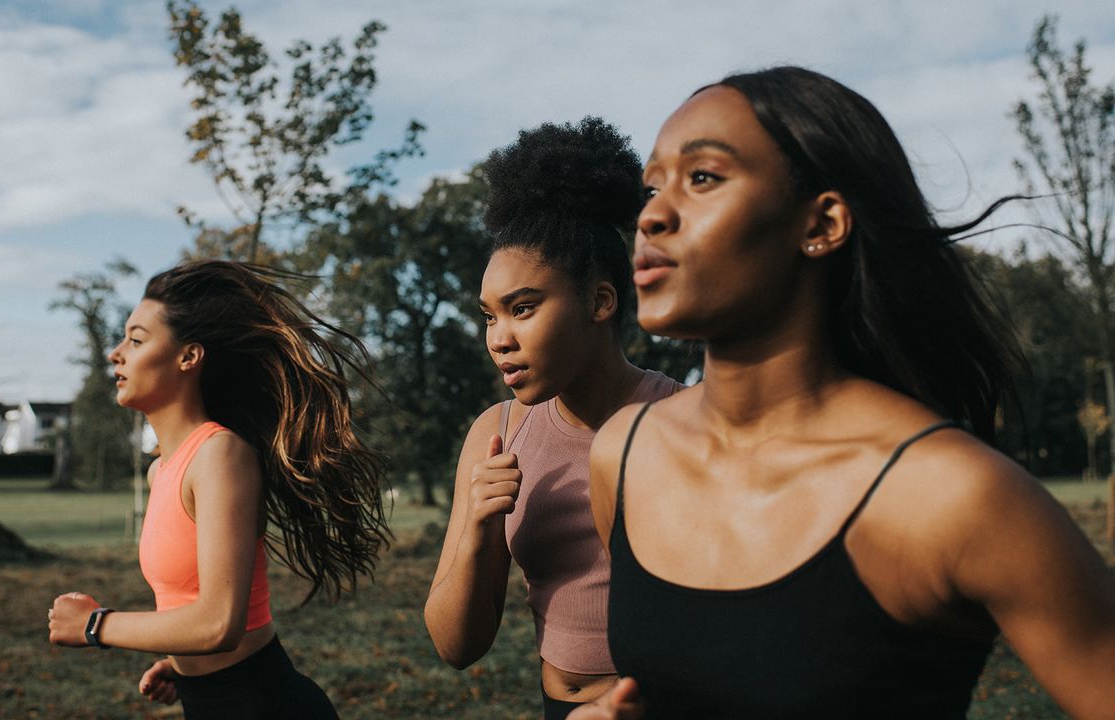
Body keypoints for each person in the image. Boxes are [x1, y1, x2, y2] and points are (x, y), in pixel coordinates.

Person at [574, 66, 1115, 719]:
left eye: (704, 178)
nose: (653, 214)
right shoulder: (624, 456)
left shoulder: (954, 496)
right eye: (651, 185)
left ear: (822, 223)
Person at [47, 260, 391, 719]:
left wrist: (96, 625)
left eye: (136, 339)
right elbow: (192, 605)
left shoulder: (219, 455)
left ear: (188, 357)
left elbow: (218, 623)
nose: (116, 353)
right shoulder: (163, 470)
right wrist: (182, 662)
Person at [424, 117, 681, 720]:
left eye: (523, 308)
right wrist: (479, 531)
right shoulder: (498, 434)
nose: (500, 339)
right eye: (489, 316)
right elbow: (456, 647)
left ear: (600, 301)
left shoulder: (684, 420)